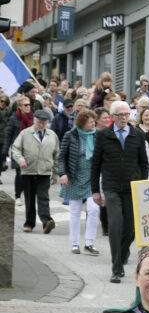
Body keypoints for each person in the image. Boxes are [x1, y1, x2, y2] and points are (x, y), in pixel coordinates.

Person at [11, 107, 59, 233]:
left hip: (45, 171)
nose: (42, 124)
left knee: (43, 196)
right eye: (39, 121)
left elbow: (57, 155)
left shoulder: (52, 135)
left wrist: (55, 174)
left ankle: (46, 221)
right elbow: (15, 148)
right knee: (30, 198)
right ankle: (29, 223)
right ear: (34, 120)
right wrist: (20, 159)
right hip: (29, 170)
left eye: (44, 121)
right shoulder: (25, 133)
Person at [59, 109, 101, 256]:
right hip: (74, 177)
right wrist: (63, 173)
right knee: (75, 211)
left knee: (94, 209)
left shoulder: (97, 135)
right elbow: (62, 156)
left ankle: (89, 242)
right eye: (90, 122)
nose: (93, 124)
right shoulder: (70, 135)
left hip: (92, 178)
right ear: (82, 123)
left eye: (94, 121)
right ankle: (75, 243)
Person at [3, 96, 35, 205]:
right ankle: (17, 196)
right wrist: (4, 151)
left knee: (29, 173)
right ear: (20, 107)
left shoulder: (33, 118)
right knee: (19, 172)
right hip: (17, 149)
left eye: (29, 104)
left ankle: (25, 192)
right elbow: (8, 135)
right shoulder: (14, 118)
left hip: (31, 149)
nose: (28, 107)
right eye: (26, 105)